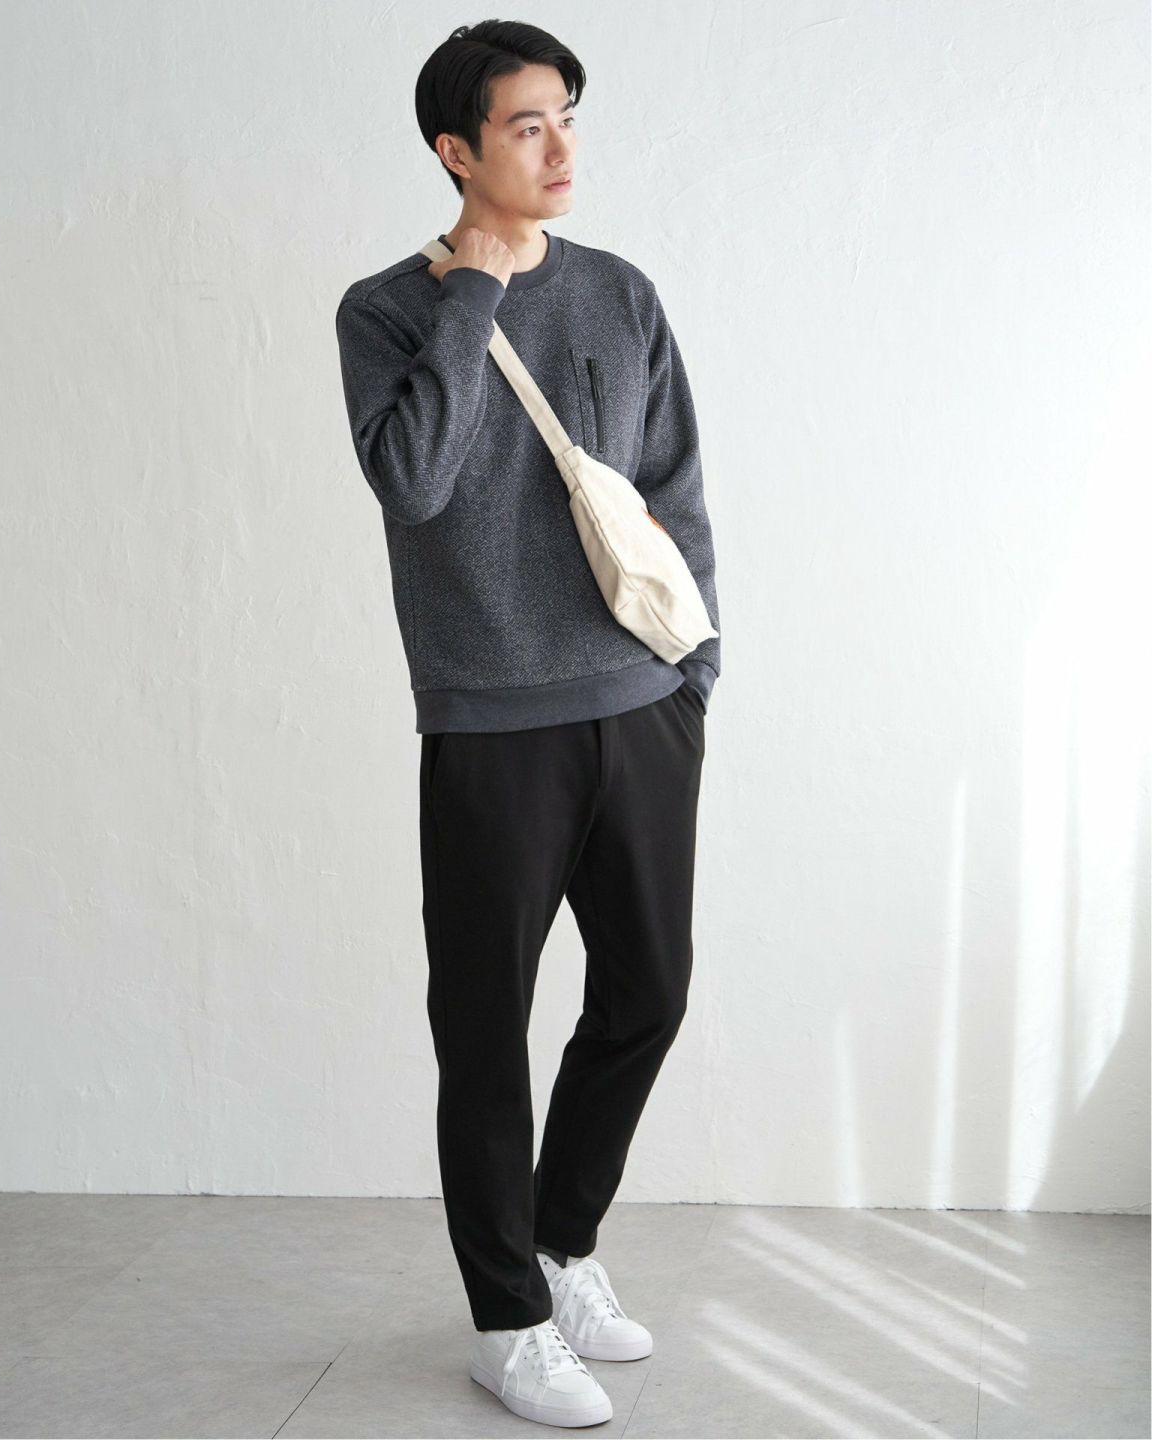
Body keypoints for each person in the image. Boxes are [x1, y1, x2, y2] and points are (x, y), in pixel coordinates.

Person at [334, 19, 720, 1429]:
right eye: (525, 126)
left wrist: (697, 671)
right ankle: (505, 1321)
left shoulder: (620, 292)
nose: (561, 148)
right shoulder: (386, 311)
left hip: (642, 705)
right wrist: (477, 296)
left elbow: (673, 488)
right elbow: (415, 483)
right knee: (486, 1029)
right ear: (456, 150)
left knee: (649, 993)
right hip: (492, 725)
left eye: (567, 117)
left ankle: (559, 1251)